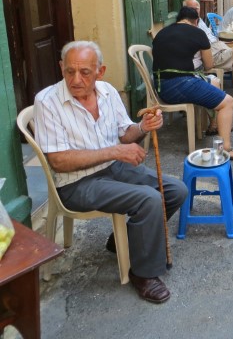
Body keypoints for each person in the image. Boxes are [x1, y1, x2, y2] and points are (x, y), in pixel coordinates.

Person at [33, 41, 188, 303]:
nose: (76, 79)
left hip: (111, 169)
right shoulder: (47, 102)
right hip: (76, 184)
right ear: (61, 67)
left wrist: (143, 127)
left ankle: (124, 242)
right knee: (149, 199)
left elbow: (125, 133)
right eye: (69, 71)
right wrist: (115, 152)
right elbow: (59, 161)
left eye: (84, 72)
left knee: (175, 190)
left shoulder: (107, 92)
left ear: (100, 71)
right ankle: (144, 273)